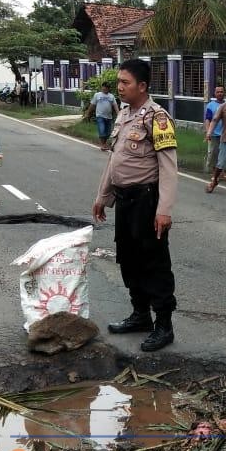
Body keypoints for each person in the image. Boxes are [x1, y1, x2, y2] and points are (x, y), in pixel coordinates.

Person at [92, 59, 179, 352]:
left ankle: (163, 325)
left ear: (142, 86)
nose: (119, 87)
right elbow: (114, 160)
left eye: (125, 82)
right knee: (128, 260)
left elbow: (168, 168)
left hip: (147, 201)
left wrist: (164, 210)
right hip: (125, 202)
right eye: (118, 82)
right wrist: (102, 196)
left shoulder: (158, 118)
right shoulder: (124, 114)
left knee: (153, 263)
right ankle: (140, 315)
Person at [89, 82, 118, 151]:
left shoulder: (111, 96)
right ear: (102, 87)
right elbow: (92, 105)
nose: (105, 88)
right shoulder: (97, 95)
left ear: (109, 88)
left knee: (108, 133)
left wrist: (119, 114)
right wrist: (88, 113)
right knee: (102, 130)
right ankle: (103, 145)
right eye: (104, 87)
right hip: (100, 116)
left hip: (109, 117)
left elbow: (115, 106)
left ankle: (104, 143)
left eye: (107, 87)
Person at [204, 85, 225, 173]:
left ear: (224, 93)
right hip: (214, 134)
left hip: (225, 134)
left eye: (221, 92)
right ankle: (214, 173)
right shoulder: (210, 105)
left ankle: (223, 173)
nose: (220, 93)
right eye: (218, 92)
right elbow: (208, 119)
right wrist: (208, 132)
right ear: (215, 94)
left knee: (224, 154)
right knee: (213, 154)